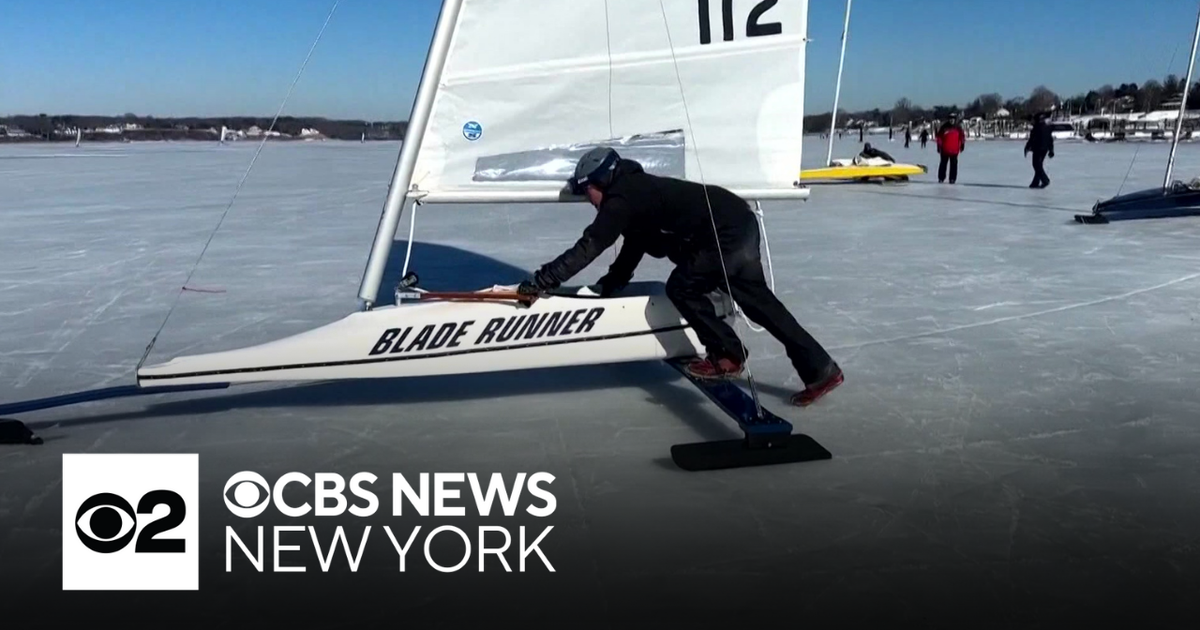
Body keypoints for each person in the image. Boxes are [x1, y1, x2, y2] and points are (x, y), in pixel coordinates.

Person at [517, 147, 844, 407]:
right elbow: (636, 243)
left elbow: (589, 246)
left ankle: (728, 355)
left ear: (600, 181)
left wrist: (542, 281)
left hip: (724, 233)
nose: (587, 199)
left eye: (586, 190)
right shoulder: (636, 191)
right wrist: (612, 283)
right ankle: (821, 370)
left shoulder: (621, 199)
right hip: (737, 220)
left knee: (682, 288)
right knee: (760, 305)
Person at [1025, 111, 1054, 188]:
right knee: (1039, 165)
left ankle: (1045, 180)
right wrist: (1051, 150)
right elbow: (1050, 139)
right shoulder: (1047, 127)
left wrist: (1027, 147)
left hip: (1038, 148)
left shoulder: (1036, 128)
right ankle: (1035, 182)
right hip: (1045, 149)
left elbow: (1032, 139)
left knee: (1036, 165)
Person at [935, 113, 966, 183]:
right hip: (945, 149)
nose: (951, 120)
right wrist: (939, 145)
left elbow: (962, 136)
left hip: (954, 150)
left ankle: (952, 178)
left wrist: (962, 144)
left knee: (954, 165)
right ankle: (941, 178)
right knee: (943, 164)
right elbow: (939, 137)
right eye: (950, 119)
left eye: (953, 119)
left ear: (955, 120)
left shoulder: (958, 128)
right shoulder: (944, 127)